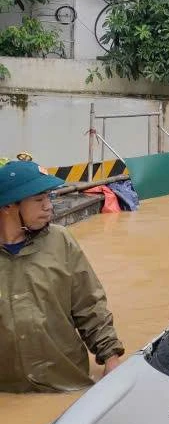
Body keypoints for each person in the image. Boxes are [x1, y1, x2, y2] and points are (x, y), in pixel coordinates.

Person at [0, 159, 124, 393]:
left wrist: (111, 358)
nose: (48, 206)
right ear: (8, 206)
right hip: (6, 390)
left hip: (65, 383)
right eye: (38, 200)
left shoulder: (60, 241)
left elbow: (89, 304)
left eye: (48, 197)